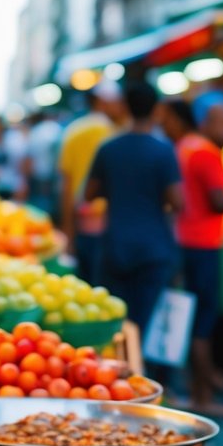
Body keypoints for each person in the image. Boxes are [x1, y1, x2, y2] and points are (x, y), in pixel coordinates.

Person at [161, 94, 223, 415]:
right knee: (202, 321)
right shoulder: (206, 153)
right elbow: (219, 200)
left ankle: (201, 384)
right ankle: (202, 395)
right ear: (206, 121)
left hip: (184, 240)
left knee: (192, 315)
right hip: (202, 243)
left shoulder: (187, 147)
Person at [85, 81, 182, 339]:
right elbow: (179, 202)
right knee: (144, 323)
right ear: (156, 109)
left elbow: (88, 194)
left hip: (115, 245)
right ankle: (141, 373)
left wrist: (116, 188)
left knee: (115, 322)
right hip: (153, 248)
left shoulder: (108, 148)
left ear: (126, 107)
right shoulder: (164, 151)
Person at [58, 81, 124, 285]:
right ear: (104, 102)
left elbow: (66, 187)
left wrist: (67, 233)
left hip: (82, 221)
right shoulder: (115, 133)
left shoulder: (73, 132)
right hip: (111, 223)